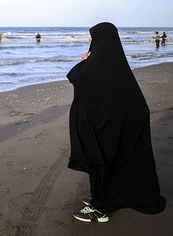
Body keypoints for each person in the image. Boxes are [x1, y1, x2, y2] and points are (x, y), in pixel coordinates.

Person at [66, 22, 165, 223]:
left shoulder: (98, 62)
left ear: (101, 39)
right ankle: (106, 197)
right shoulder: (114, 60)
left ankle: (100, 208)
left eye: (92, 37)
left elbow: (77, 78)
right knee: (121, 159)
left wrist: (83, 62)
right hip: (128, 117)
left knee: (103, 157)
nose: (90, 41)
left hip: (115, 120)